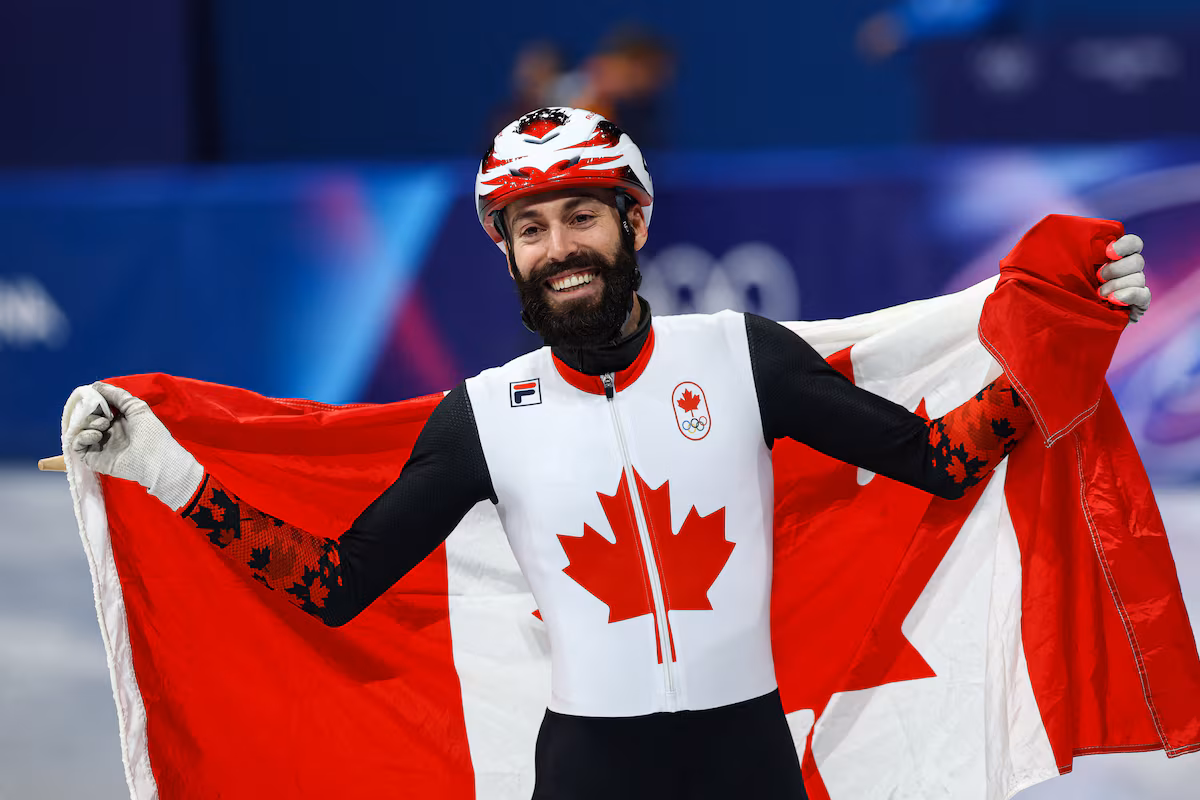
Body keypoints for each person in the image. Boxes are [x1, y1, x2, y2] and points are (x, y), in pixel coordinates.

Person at [69, 107, 1151, 799]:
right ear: (506, 257)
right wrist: (172, 475)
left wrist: (1074, 337)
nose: (558, 248)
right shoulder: (483, 413)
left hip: (748, 764)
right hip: (589, 772)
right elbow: (334, 583)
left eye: (580, 215)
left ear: (631, 223)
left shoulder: (742, 356)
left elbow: (945, 460)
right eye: (529, 229)